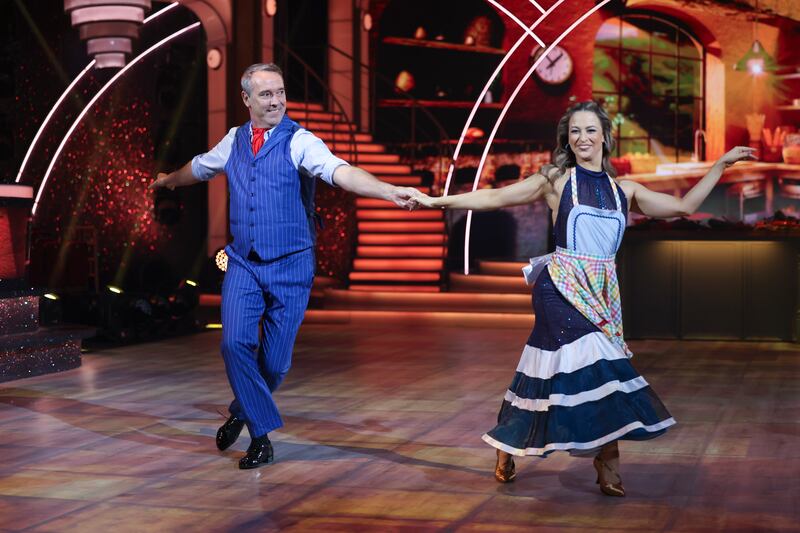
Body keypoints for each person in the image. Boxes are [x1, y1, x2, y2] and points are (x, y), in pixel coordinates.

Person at [415, 101, 756, 496]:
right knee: (603, 368)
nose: (582, 138)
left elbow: (684, 206)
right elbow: (496, 197)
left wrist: (721, 165)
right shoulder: (556, 180)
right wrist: (438, 202)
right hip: (559, 286)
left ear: (605, 137)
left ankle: (508, 443)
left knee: (547, 372)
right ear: (567, 139)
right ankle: (608, 460)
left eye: (590, 130)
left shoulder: (623, 190)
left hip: (602, 294)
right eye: (575, 131)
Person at [150, 63, 420, 469]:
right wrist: (169, 180)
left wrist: (387, 191)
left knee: (275, 364)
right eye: (266, 94)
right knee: (233, 344)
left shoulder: (301, 141)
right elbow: (201, 167)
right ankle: (261, 438)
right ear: (247, 100)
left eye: (280, 92)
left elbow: (340, 172)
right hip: (244, 262)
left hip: (292, 266)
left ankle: (242, 410)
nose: (275, 100)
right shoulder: (235, 140)